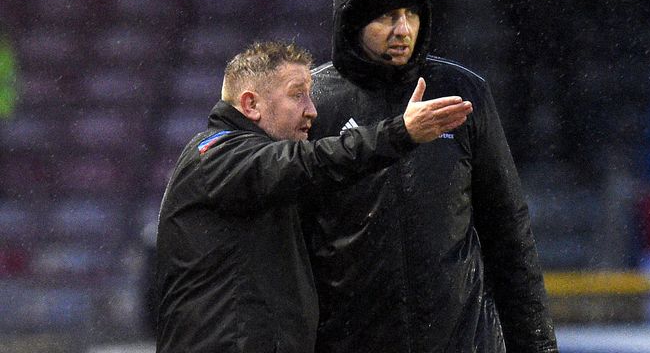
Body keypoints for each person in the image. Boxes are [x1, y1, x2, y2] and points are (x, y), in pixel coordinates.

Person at [306, 0, 559, 353]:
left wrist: (538, 346)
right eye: (387, 16)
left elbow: (508, 233)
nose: (403, 29)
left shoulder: (462, 93)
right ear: (352, 20)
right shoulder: (315, 104)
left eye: (411, 14)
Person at [154, 40, 472, 353]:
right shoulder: (217, 155)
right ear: (251, 105)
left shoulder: (257, 176)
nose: (312, 110)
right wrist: (398, 133)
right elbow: (311, 162)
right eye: (298, 95)